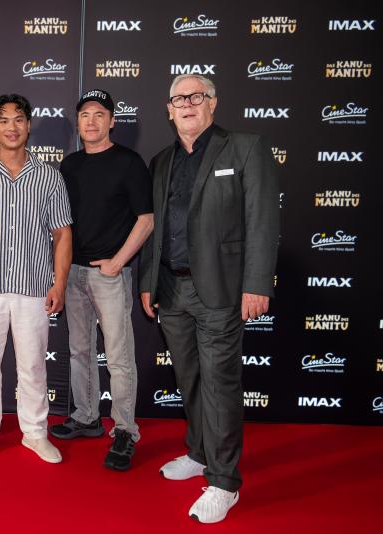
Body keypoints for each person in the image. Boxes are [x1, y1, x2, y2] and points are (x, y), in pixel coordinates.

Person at [139, 75, 279, 523]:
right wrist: (148, 281)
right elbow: (155, 228)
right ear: (169, 109)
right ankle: (199, 453)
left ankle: (223, 482)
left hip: (222, 288)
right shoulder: (161, 161)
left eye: (196, 96)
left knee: (219, 384)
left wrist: (257, 283)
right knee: (190, 379)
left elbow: (262, 219)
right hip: (172, 289)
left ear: (212, 104)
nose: (187, 104)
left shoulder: (244, 147)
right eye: (179, 98)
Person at [0, 94, 73, 464]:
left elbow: (62, 234)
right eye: (3, 120)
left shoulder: (49, 177)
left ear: (29, 125)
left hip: (34, 287)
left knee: (33, 366)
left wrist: (59, 283)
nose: (11, 127)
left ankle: (35, 433)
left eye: (18, 119)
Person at [51, 89, 153, 472]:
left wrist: (118, 262)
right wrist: (61, 271)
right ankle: (86, 416)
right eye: (84, 115)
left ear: (111, 121)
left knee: (119, 357)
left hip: (110, 275)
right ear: (78, 123)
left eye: (99, 114)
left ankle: (125, 430)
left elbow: (146, 220)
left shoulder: (129, 162)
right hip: (74, 273)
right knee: (79, 351)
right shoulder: (70, 165)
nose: (91, 121)